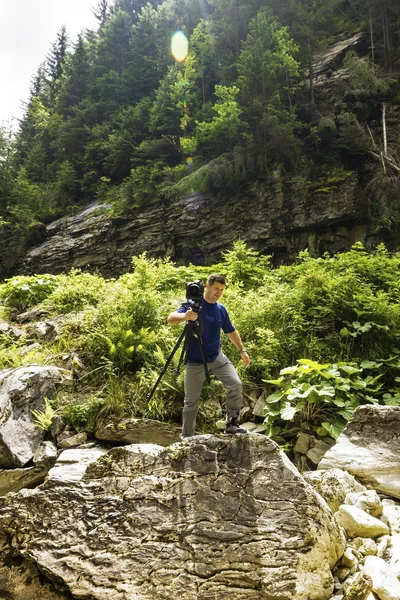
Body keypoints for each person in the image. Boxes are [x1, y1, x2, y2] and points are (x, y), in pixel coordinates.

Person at [167, 273, 250, 438]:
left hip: (217, 357)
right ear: (207, 286)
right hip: (195, 362)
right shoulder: (193, 305)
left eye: (222, 289)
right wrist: (185, 316)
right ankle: (187, 437)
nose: (218, 292)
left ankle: (232, 424)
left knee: (236, 384)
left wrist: (242, 350)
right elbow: (171, 318)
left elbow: (230, 331)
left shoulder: (221, 309)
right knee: (191, 402)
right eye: (216, 288)